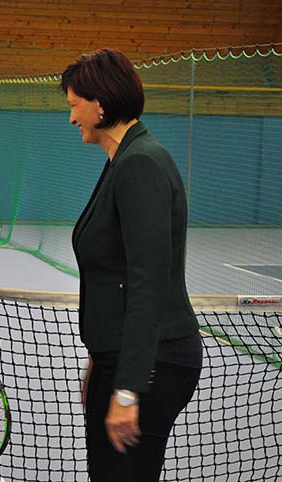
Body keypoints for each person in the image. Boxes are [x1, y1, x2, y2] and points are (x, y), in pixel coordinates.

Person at [60, 49, 203, 481]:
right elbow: (117, 276)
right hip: (121, 357)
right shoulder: (123, 159)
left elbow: (147, 282)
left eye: (75, 105)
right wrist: (100, 360)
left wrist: (127, 389)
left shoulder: (140, 163)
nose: (72, 117)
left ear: (100, 105)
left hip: (153, 362)